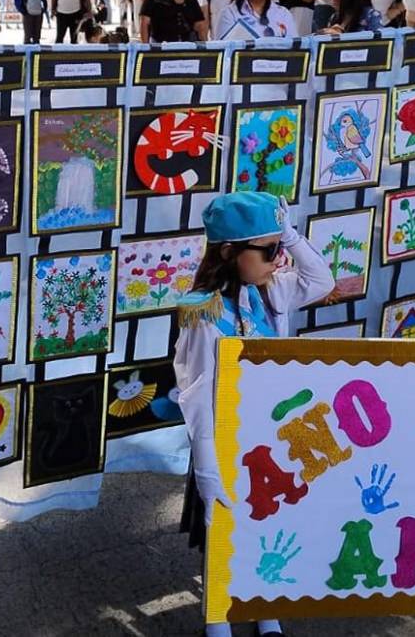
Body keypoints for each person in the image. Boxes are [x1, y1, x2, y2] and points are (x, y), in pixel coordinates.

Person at [175, 191, 333, 637]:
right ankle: (218, 616)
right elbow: (196, 393)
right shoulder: (204, 314)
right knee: (223, 529)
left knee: (268, 518)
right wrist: (206, 468)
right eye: (267, 250)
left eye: (278, 248)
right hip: (225, 437)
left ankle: (265, 606)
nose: (277, 258)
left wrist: (289, 234)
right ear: (228, 252)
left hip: (270, 435)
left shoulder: (270, 291)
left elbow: (320, 281)